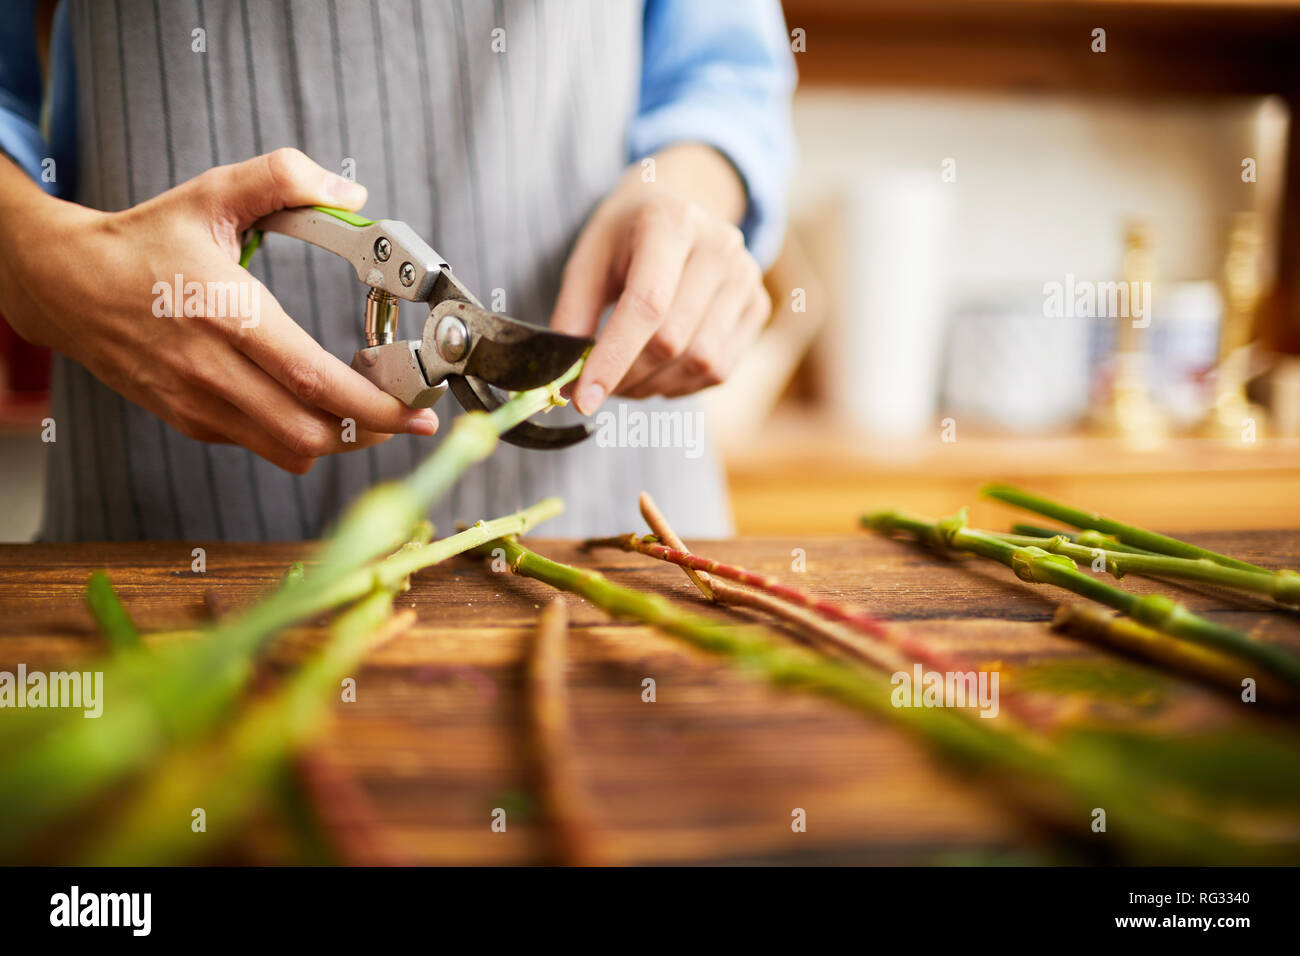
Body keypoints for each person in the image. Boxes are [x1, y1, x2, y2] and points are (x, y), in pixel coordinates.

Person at [0, 0, 795, 540]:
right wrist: (41, 262)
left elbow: (724, 71)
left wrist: (687, 193)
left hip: (605, 512)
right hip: (162, 522)